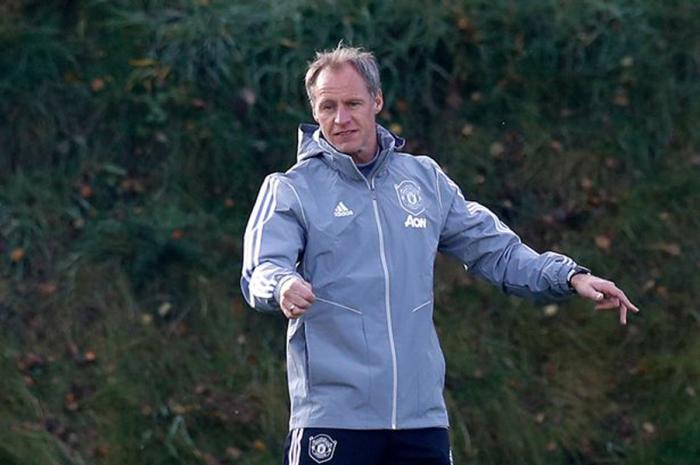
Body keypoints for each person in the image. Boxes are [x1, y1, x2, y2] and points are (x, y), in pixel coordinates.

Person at [240, 44, 638, 465]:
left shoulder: (424, 179)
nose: (341, 119)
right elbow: (260, 267)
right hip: (334, 420)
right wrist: (281, 285)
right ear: (314, 111)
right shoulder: (291, 188)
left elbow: (497, 251)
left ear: (377, 101)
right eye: (328, 107)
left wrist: (571, 276)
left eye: (352, 104)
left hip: (420, 421)